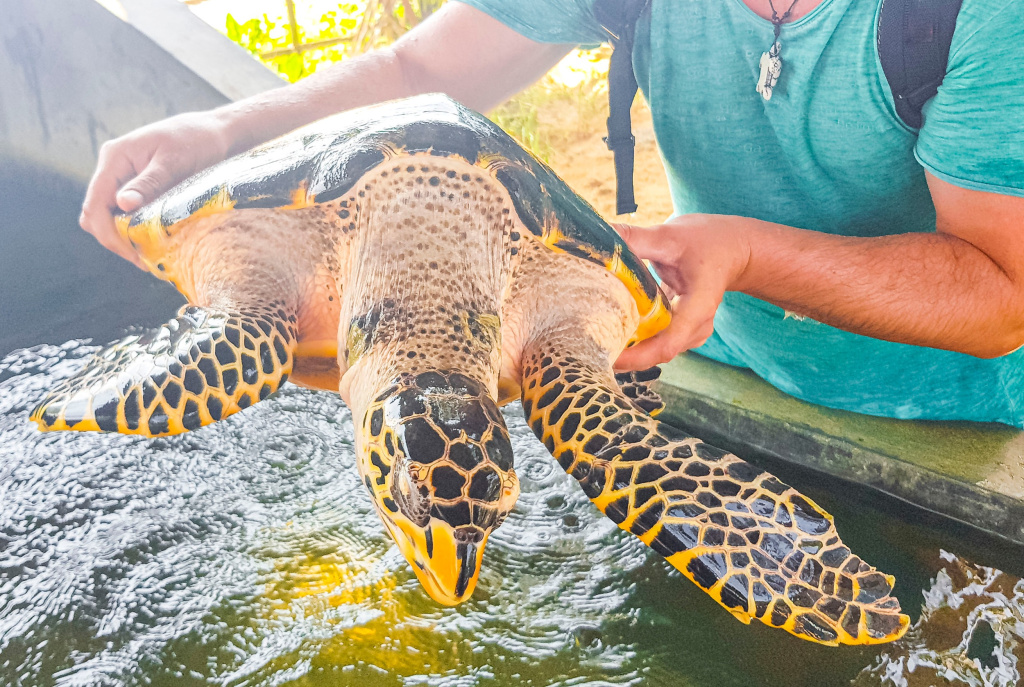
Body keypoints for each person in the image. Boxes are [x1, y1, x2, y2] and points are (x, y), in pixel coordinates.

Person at [80, 0, 1024, 427]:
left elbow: (1001, 296)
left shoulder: (973, 13)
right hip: (721, 361)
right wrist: (221, 131)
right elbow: (415, 72)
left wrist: (743, 252)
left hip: (947, 415)